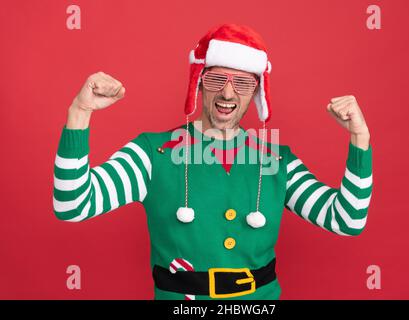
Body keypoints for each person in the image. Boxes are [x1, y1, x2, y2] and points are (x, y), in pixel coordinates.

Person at [53, 24, 373, 300]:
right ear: (200, 80)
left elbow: (347, 219)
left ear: (257, 93)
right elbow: (73, 204)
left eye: (244, 83)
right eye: (218, 78)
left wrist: (359, 138)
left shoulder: (277, 161)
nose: (229, 94)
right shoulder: (152, 153)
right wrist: (79, 113)